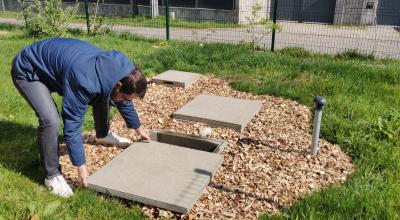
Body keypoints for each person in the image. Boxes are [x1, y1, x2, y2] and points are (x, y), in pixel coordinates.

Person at [11, 38, 151, 198]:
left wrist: (138, 128)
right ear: (118, 85)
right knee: (51, 121)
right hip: (29, 70)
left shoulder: (123, 72)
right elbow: (72, 125)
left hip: (57, 62)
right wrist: (81, 165)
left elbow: (122, 99)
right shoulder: (84, 81)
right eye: (126, 98)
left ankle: (103, 135)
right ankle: (52, 176)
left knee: (105, 94)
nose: (125, 102)